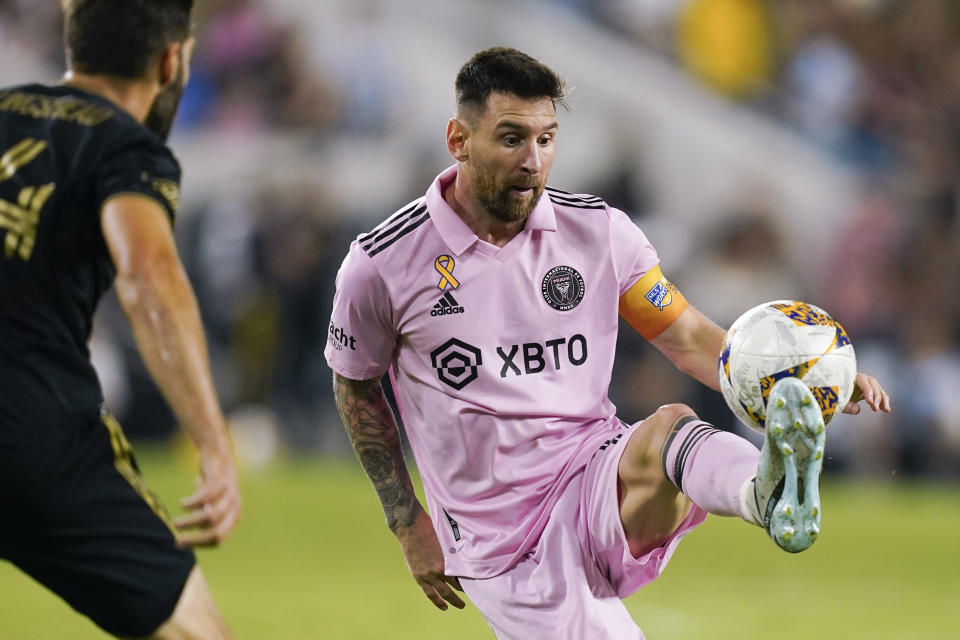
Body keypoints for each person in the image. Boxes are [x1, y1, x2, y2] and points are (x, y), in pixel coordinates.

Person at [325, 47, 891, 638]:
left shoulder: (598, 232)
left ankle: (766, 494)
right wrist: (405, 519)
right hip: (500, 538)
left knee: (671, 430)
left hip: (593, 474)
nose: (533, 161)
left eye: (547, 140)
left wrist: (803, 378)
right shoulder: (381, 265)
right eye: (512, 139)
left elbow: (691, 337)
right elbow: (356, 388)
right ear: (458, 139)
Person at [0, 1, 240, 638]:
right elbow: (149, 277)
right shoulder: (124, 147)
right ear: (171, 60)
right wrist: (213, 443)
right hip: (32, 436)